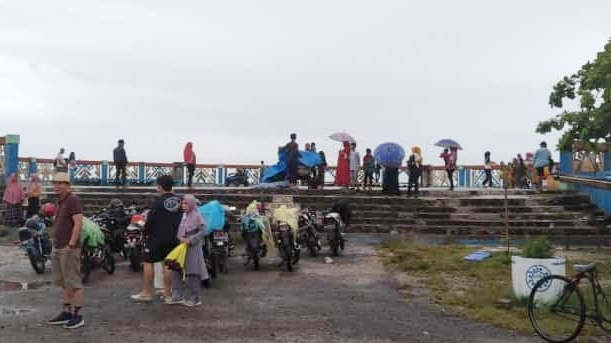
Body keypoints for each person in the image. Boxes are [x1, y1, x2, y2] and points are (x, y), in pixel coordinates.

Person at [131, 175, 182, 302]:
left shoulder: (158, 202)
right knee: (168, 265)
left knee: (148, 262)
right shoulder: (179, 201)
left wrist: (145, 230)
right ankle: (167, 294)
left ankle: (147, 293)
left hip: (156, 238)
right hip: (173, 237)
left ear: (159, 187)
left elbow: (151, 221)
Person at [47, 171, 85, 329]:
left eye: (60, 183)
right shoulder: (59, 201)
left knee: (74, 282)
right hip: (58, 246)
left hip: (69, 248)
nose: (57, 186)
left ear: (67, 186)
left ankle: (78, 315)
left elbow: (78, 223)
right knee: (64, 282)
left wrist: (71, 244)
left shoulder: (73, 200)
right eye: (55, 183)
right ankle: (66, 312)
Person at [167, 194, 207, 307]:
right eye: (182, 203)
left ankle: (195, 298)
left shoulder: (197, 216)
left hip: (192, 247)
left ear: (191, 204)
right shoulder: (185, 215)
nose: (183, 205)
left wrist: (191, 240)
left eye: (186, 203)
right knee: (176, 268)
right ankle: (176, 296)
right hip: (182, 245)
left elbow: (203, 231)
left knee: (192, 272)